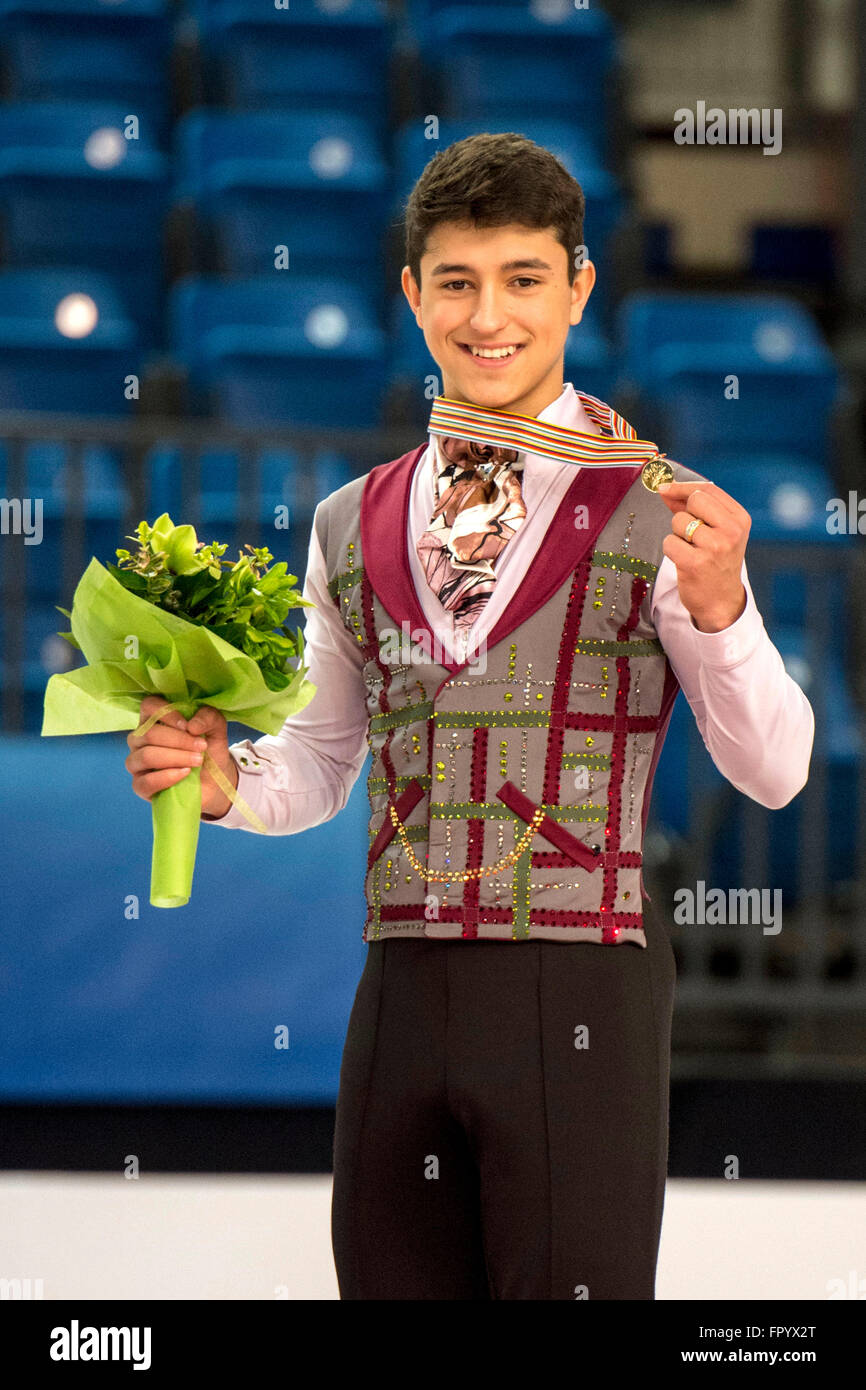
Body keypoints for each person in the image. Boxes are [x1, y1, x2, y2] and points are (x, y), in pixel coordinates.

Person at [124, 133, 814, 1299]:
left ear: (578, 286)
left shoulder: (665, 514)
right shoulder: (348, 520)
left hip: (579, 979)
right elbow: (326, 757)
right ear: (410, 293)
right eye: (455, 281)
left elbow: (776, 770)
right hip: (397, 983)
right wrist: (224, 783)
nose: (486, 315)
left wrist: (724, 607)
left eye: (522, 278)